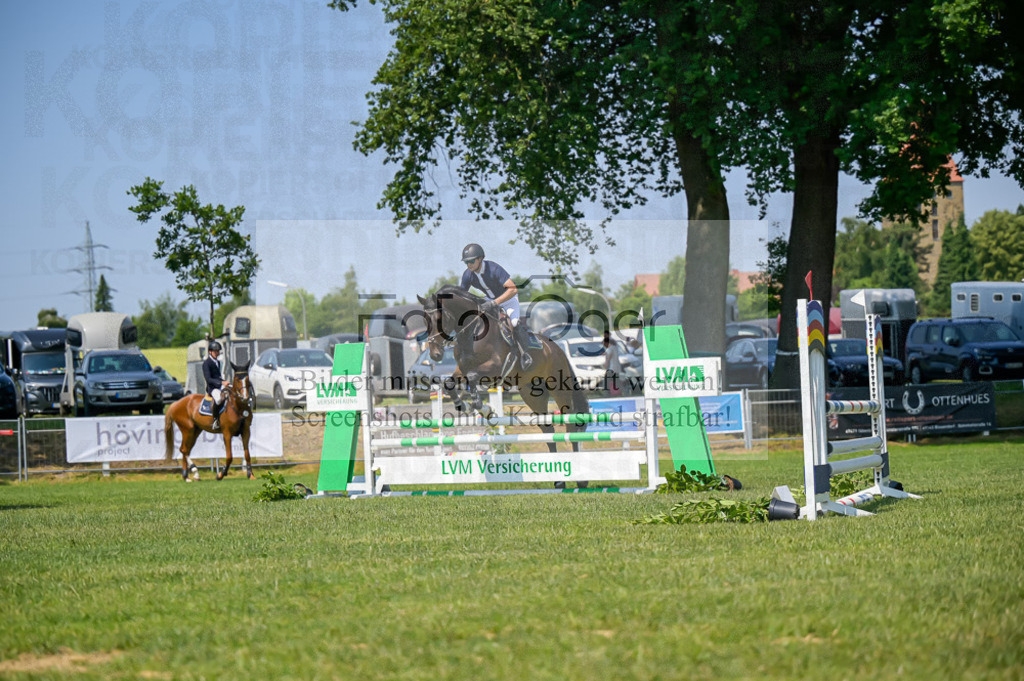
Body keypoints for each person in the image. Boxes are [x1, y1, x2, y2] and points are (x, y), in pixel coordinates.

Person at [458, 243, 533, 370]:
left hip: (508, 299)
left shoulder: (493, 269)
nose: (469, 265)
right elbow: (461, 295)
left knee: (514, 323)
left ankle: (524, 355)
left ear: (480, 259)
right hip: (489, 300)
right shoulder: (467, 275)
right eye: (466, 263)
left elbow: (513, 289)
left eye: (471, 261)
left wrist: (494, 303)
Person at [203, 340, 229, 429]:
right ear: (210, 351)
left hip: (219, 385)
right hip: (212, 388)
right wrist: (221, 382)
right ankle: (215, 420)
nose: (217, 353)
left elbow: (218, 376)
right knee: (218, 399)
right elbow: (208, 379)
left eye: (218, 351)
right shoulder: (206, 363)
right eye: (215, 351)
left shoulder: (217, 362)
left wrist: (225, 382)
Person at [602, 332, 622, 396]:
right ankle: (619, 392)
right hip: (617, 368)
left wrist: (606, 364)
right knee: (616, 380)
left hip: (611, 368)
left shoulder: (609, 349)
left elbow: (609, 356)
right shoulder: (615, 348)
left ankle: (606, 393)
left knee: (606, 381)